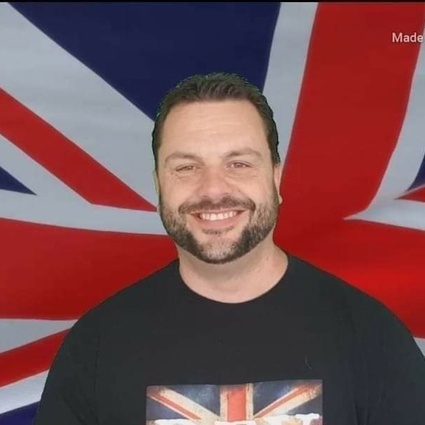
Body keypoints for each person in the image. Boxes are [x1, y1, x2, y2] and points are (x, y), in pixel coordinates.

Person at [34, 72, 425, 425]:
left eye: (238, 164)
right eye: (186, 167)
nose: (213, 189)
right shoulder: (97, 345)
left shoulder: (370, 336)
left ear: (276, 178)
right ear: (158, 185)